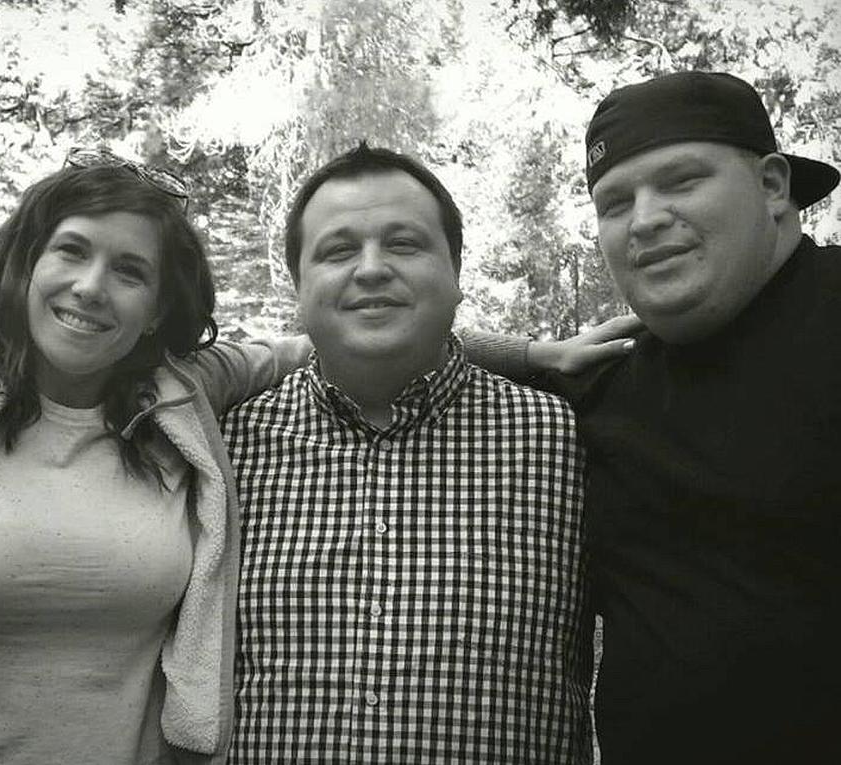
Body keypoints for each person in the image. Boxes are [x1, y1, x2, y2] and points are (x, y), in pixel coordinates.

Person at [0, 150, 310, 765]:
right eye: (72, 251)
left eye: (130, 272)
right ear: (28, 264)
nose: (90, 287)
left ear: (157, 310)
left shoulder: (186, 392)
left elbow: (325, 341)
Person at [473, 71, 841, 763]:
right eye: (615, 202)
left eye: (681, 180)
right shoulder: (599, 385)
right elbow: (371, 344)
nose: (643, 219)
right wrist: (529, 353)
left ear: (772, 186)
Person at [220, 144, 593, 764]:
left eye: (403, 244)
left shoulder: (567, 439)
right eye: (338, 251)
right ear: (298, 285)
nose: (371, 269)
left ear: (456, 271)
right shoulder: (222, 449)